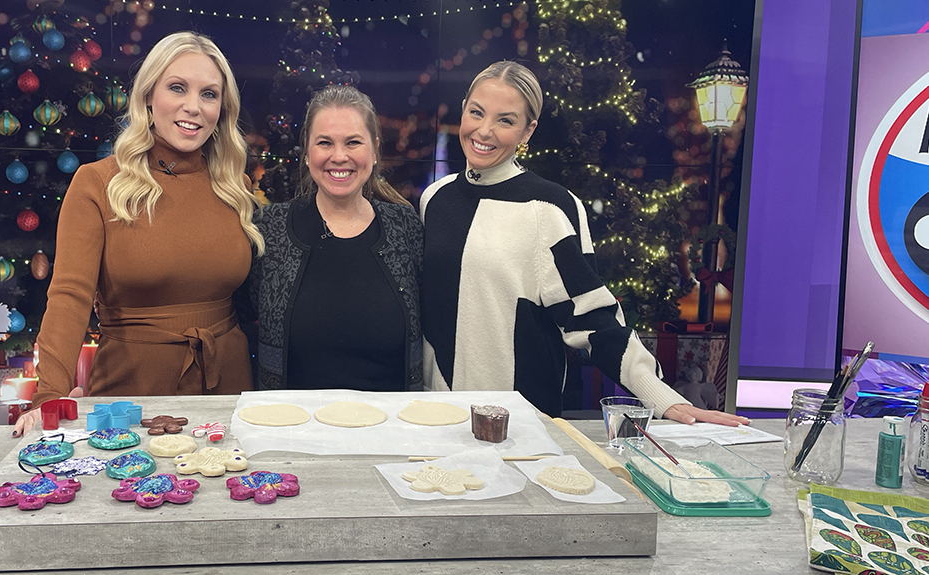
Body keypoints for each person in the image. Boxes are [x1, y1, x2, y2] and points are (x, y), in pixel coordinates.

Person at [420, 60, 748, 426]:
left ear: (528, 131)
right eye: (476, 112)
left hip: (518, 426)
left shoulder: (550, 208)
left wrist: (663, 399)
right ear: (463, 109)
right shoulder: (434, 198)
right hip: (437, 419)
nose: (484, 130)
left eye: (505, 120)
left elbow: (592, 317)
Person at [13, 32, 262, 437]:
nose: (193, 107)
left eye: (209, 94)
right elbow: (69, 296)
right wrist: (50, 396)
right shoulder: (97, 182)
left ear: (223, 109)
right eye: (177, 88)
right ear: (148, 96)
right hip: (129, 397)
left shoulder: (234, 187)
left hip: (229, 393)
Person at [249, 85, 423, 391]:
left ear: (374, 149)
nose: (339, 156)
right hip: (289, 430)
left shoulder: (405, 227)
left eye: (353, 142)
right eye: (325, 143)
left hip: (392, 431)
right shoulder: (269, 229)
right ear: (307, 152)